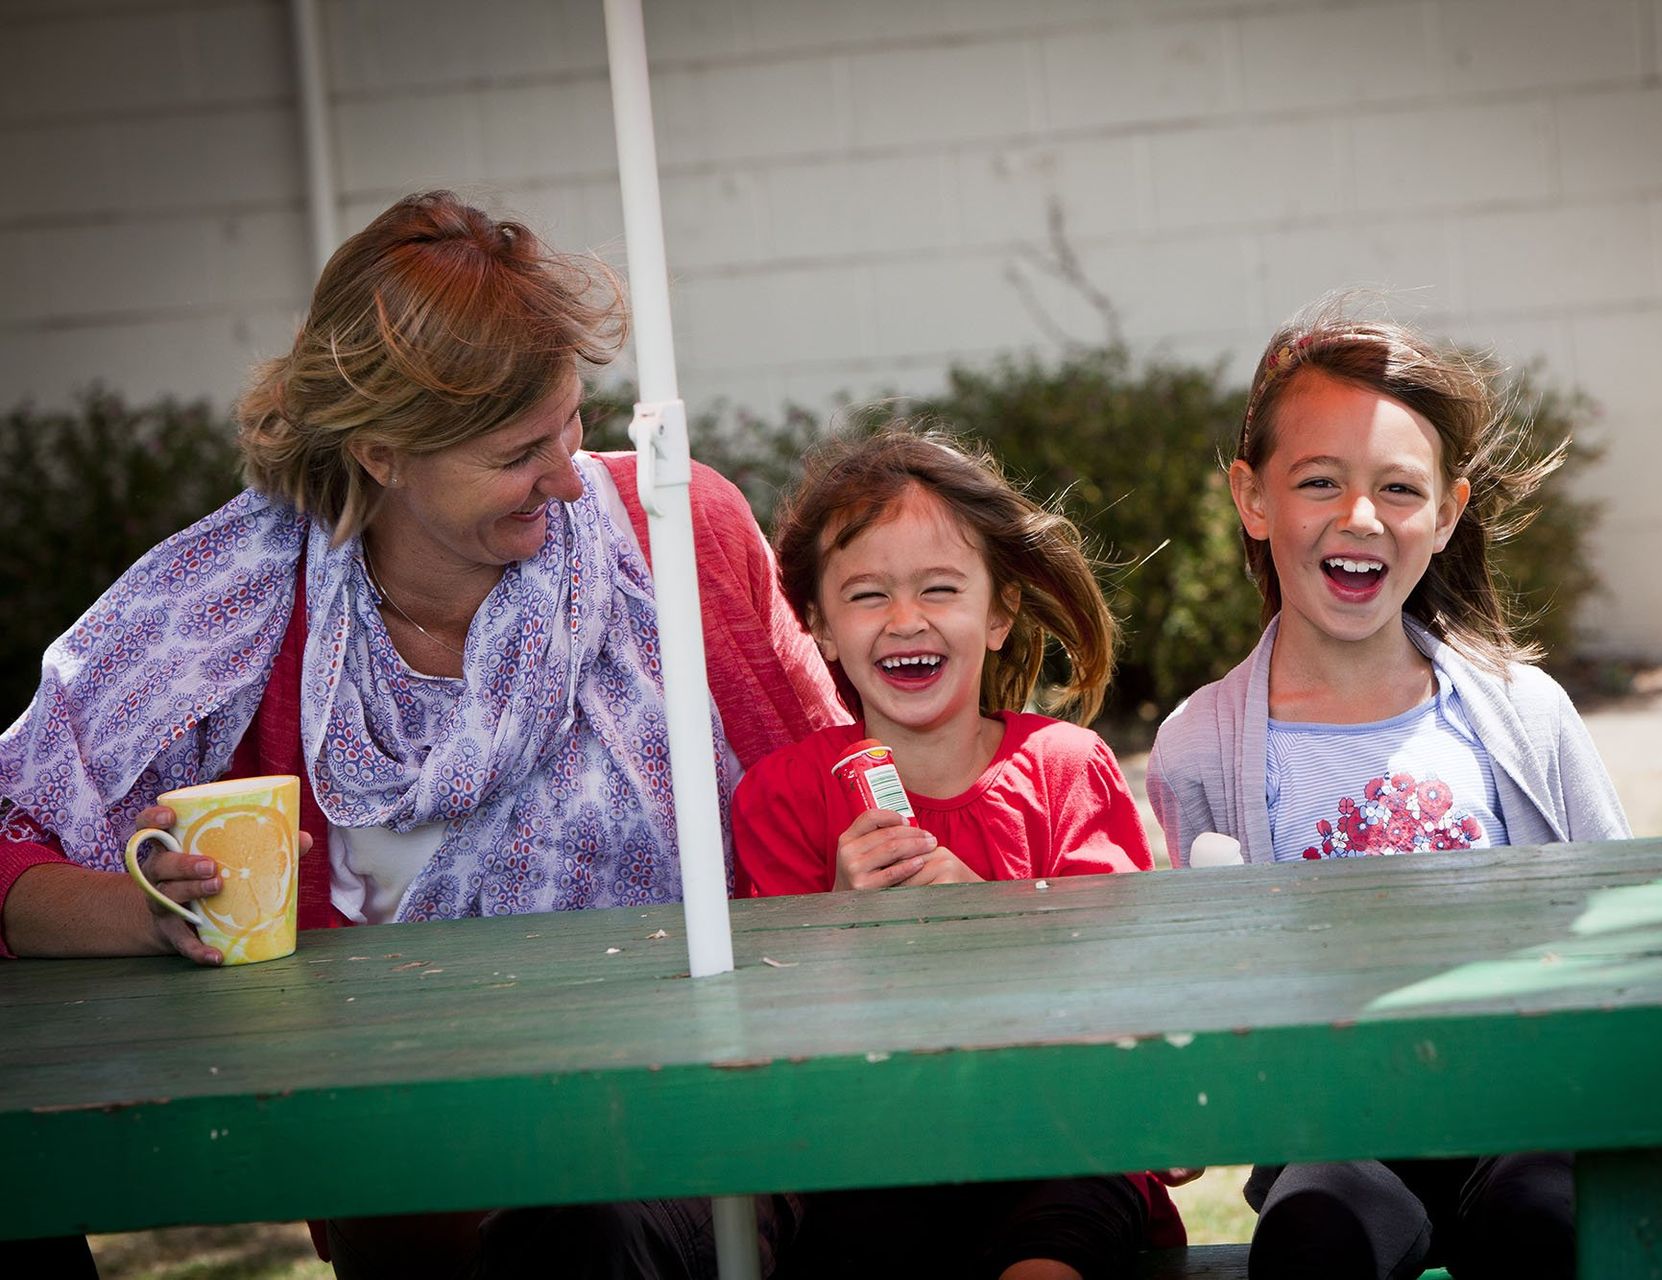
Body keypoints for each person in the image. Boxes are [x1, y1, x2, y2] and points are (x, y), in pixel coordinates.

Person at [0, 191, 844, 1279]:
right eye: (517, 450)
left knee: (587, 1225)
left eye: (571, 420)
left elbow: (833, 793)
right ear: (383, 453)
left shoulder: (676, 531)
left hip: (695, 1139)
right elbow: (12, 825)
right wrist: (154, 908)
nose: (565, 471)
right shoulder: (240, 601)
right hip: (402, 1175)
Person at [1146, 305, 1631, 1280]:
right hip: (1336, 1131)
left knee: (1550, 1218)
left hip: (1519, 1114)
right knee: (1315, 1233)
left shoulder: (1523, 713)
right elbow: (1203, 977)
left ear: (1446, 511)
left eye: (1397, 488)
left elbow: (1616, 923)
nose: (1358, 516)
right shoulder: (1200, 744)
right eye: (1319, 480)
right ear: (1252, 497)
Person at [729, 425, 1184, 1278]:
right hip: (871, 1150)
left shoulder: (1062, 770)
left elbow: (1114, 995)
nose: (906, 620)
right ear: (819, 626)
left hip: (1058, 1141)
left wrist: (987, 918)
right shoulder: (783, 796)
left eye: (940, 587)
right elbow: (778, 1051)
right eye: (866, 596)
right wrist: (835, 925)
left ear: (1001, 613)